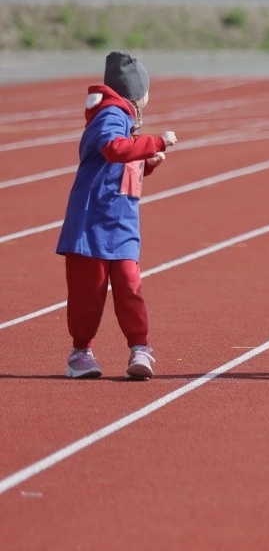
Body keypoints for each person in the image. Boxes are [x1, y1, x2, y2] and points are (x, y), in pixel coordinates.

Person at [56, 51, 178, 380]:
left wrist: (146, 163)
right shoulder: (111, 114)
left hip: (121, 224)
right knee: (89, 293)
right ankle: (80, 353)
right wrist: (157, 142)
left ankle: (139, 348)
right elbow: (113, 149)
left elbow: (118, 166)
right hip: (91, 224)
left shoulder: (121, 117)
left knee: (129, 286)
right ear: (139, 93)